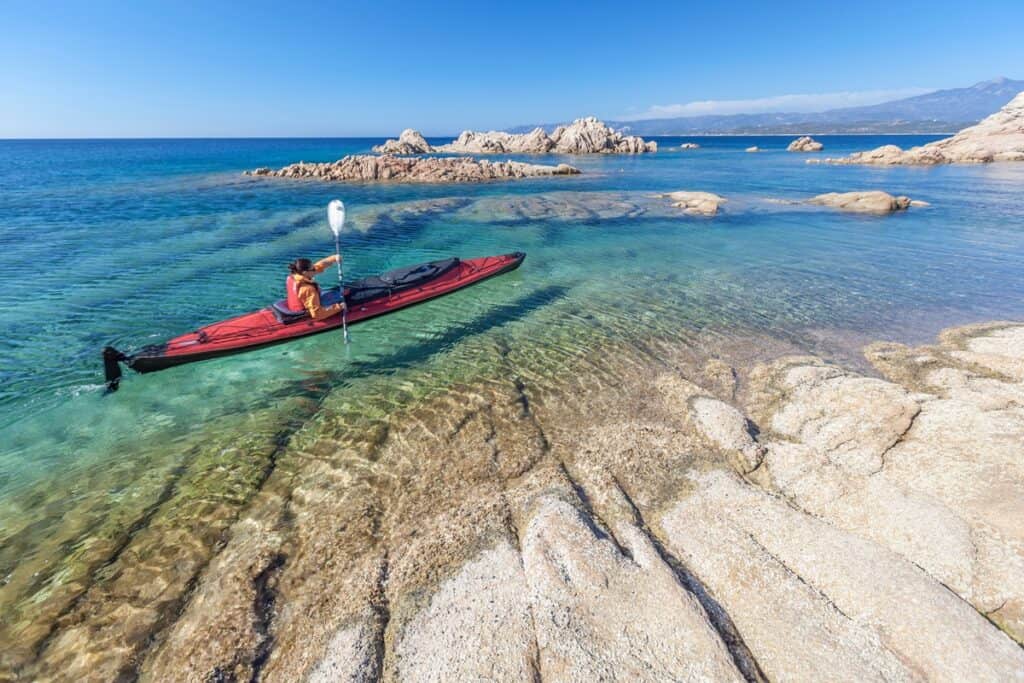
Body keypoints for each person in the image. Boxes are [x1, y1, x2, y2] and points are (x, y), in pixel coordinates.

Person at [286, 255, 346, 320]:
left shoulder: (296, 275)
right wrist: (339, 307)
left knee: (334, 293)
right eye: (313, 269)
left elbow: (319, 266)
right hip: (307, 310)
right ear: (305, 272)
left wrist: (334, 258)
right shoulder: (308, 289)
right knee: (340, 296)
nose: (315, 269)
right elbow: (317, 314)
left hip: (299, 304)